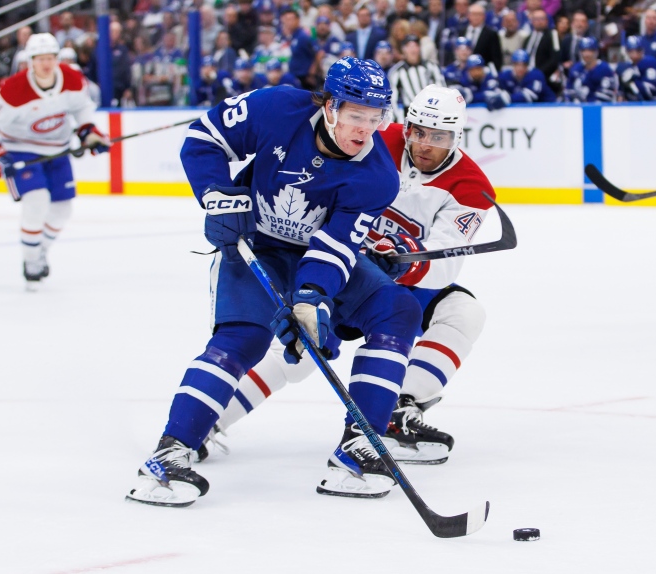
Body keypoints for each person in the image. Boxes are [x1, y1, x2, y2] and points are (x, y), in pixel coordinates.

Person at [126, 58, 422, 506]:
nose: (365, 129)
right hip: (256, 244)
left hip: (313, 254)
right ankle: (172, 452)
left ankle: (362, 446)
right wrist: (218, 197)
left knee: (397, 311)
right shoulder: (275, 108)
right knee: (242, 341)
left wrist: (312, 300)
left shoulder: (378, 175)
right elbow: (204, 138)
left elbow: (334, 248)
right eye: (355, 115)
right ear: (329, 106)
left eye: (375, 117)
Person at [211, 85, 494, 466]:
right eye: (418, 131)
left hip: (402, 282)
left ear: (457, 137)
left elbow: (444, 264)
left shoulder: (471, 187)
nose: (424, 144)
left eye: (438, 137)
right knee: (300, 350)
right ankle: (208, 422)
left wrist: (408, 262)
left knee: (463, 311)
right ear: (406, 125)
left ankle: (398, 410)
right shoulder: (375, 140)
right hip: (339, 266)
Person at [0, 33, 109, 288]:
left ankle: (40, 251)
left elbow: (82, 108)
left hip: (57, 149)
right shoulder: (14, 89)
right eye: (40, 59)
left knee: (62, 209)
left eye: (50, 58)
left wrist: (89, 132)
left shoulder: (72, 79)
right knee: (37, 201)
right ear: (30, 61)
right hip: (20, 149)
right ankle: (31, 260)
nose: (46, 64)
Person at [388, 35, 446, 121]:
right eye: (409, 46)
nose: (413, 49)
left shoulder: (431, 67)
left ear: (419, 48)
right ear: (404, 49)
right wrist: (396, 118)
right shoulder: (397, 71)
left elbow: (442, 89)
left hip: (432, 111)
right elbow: (392, 98)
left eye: (415, 46)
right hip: (409, 113)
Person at [565, 36, 615, 102]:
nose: (586, 54)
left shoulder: (605, 69)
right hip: (578, 107)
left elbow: (607, 95)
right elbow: (569, 91)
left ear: (596, 52)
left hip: (598, 108)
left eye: (590, 50)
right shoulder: (575, 69)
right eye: (583, 50)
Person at [616, 35, 656, 101]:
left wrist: (634, 80)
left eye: (638, 50)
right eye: (631, 51)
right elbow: (620, 93)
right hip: (632, 105)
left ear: (642, 50)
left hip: (654, 104)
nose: (635, 54)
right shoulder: (625, 67)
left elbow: (650, 92)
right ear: (627, 52)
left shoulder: (650, 63)